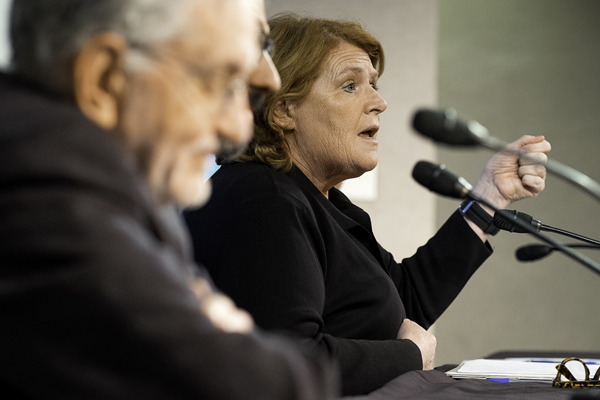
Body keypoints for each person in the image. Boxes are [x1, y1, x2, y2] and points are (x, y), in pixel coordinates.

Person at [183, 14, 552, 396]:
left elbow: (403, 302)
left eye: (374, 86)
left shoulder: (322, 203)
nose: (380, 103)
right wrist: (409, 356)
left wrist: (490, 197)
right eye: (350, 86)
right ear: (284, 109)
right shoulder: (264, 202)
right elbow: (288, 361)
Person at [0, 1, 339, 399]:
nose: (236, 125)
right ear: (105, 79)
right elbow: (273, 388)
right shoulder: (50, 215)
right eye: (221, 82)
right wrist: (230, 338)